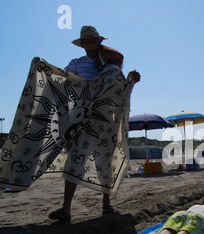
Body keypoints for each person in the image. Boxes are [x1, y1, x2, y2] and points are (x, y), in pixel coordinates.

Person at [48, 26, 140, 222]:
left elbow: (118, 91)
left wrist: (131, 80)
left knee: (105, 162)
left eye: (93, 41)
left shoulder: (110, 66)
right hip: (82, 118)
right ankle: (66, 209)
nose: (90, 45)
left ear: (99, 42)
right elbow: (63, 79)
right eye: (86, 42)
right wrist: (43, 68)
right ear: (82, 45)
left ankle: (106, 205)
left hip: (104, 121)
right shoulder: (77, 63)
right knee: (75, 158)